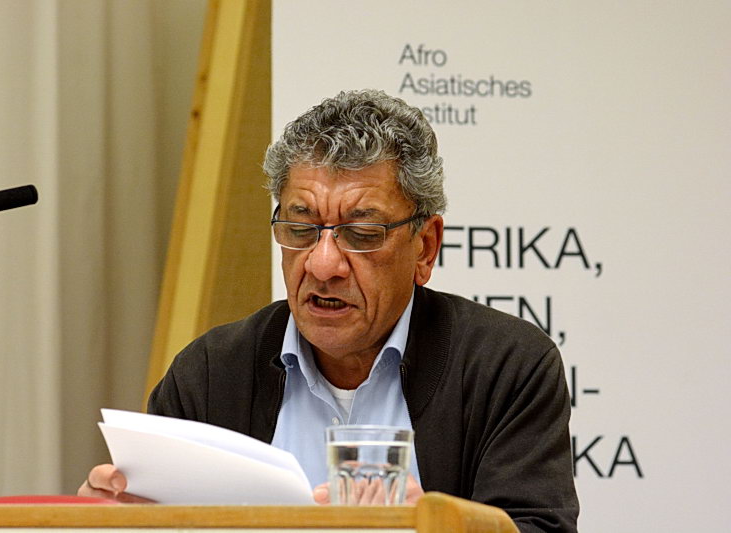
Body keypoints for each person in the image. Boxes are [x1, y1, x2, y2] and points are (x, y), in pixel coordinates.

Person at [79, 89, 579, 532]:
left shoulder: (507, 366)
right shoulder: (211, 372)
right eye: (300, 230)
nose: (322, 265)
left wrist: (438, 528)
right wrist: (119, 523)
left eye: (361, 234)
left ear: (425, 248)